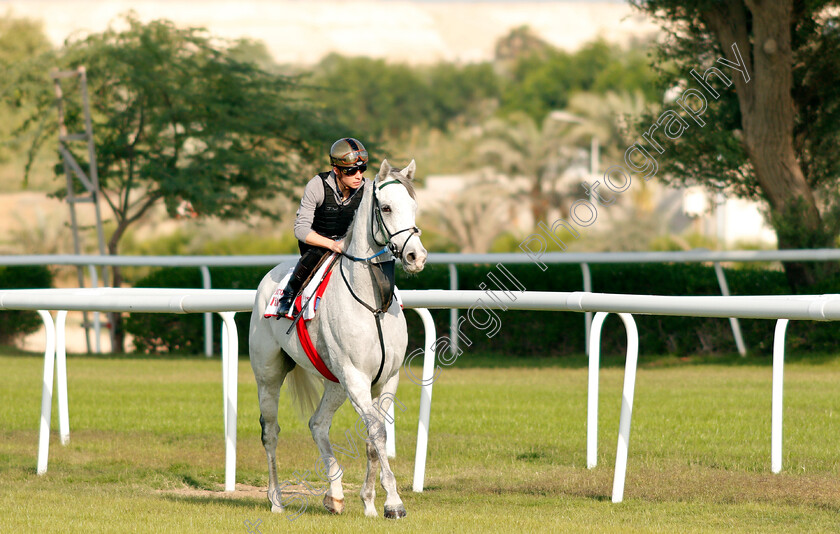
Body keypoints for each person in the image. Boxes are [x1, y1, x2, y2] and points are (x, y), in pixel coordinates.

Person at [275, 137, 368, 316]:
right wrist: (332, 244)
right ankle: (288, 295)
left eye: (362, 169)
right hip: (317, 245)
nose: (358, 176)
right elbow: (300, 229)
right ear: (336, 170)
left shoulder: (368, 188)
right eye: (351, 171)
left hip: (348, 244)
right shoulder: (317, 185)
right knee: (316, 253)